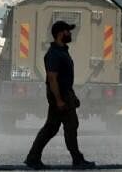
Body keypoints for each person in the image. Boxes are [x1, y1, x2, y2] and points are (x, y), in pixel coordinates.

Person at [24, 21, 95, 170]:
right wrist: (59, 100)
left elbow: (63, 79)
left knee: (51, 127)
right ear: (60, 33)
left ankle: (33, 157)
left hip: (64, 94)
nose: (70, 34)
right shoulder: (54, 54)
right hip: (60, 96)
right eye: (68, 31)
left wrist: (72, 95)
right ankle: (77, 159)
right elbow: (52, 78)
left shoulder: (62, 51)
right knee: (70, 125)